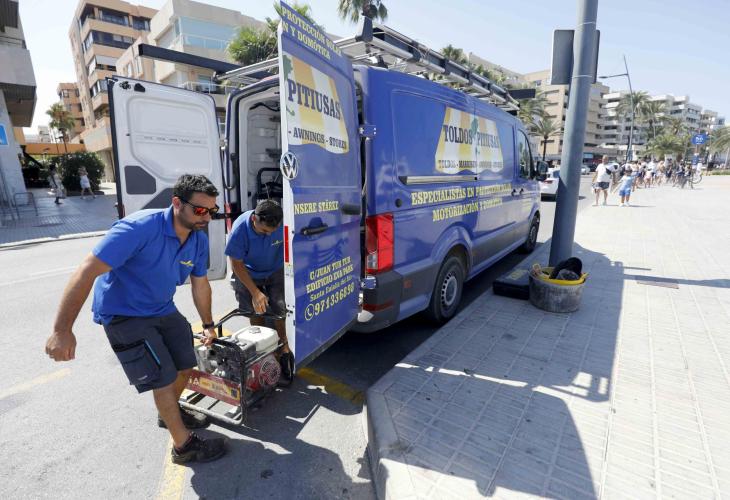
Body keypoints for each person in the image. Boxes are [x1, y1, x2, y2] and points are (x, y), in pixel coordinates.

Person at [44, 174, 227, 465]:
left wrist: (208, 324)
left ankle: (169, 413)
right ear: (177, 203)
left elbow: (200, 284)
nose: (207, 217)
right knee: (163, 378)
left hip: (161, 308)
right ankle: (183, 447)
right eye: (200, 210)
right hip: (124, 313)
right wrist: (61, 330)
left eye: (212, 210)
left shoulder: (198, 239)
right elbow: (86, 271)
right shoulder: (139, 228)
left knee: (186, 364)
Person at [224, 199, 293, 383]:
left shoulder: (282, 223)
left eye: (271, 231)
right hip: (248, 272)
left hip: (275, 270)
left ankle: (283, 346)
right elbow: (236, 263)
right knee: (256, 310)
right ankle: (263, 348)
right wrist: (255, 292)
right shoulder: (240, 229)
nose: (268, 235)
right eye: (263, 231)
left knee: (279, 308)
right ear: (254, 219)